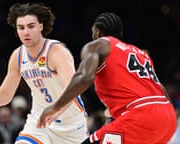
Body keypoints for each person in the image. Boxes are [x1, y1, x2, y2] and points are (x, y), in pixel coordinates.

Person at [0, 2, 88, 144]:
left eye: (31, 26)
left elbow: (74, 87)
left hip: (71, 125)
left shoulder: (56, 52)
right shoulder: (17, 56)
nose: (26, 32)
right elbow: (5, 95)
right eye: (21, 27)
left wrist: (55, 109)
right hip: (39, 121)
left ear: (40, 26)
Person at [37, 12, 177, 144]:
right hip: (168, 118)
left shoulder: (99, 45)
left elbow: (84, 78)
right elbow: (161, 90)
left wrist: (56, 107)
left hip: (141, 116)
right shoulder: (141, 54)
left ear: (97, 32)